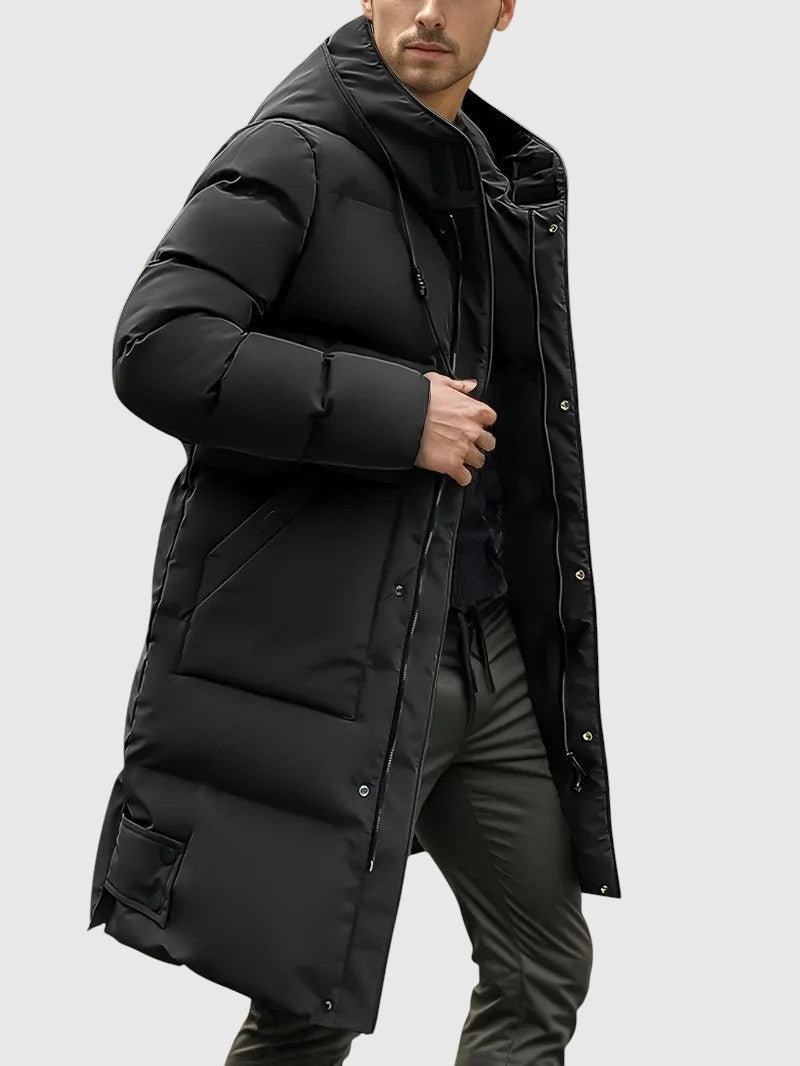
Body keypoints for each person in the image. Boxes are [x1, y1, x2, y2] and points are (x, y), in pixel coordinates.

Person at [87, 4, 621, 1064]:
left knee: (541, 970)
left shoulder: (495, 176)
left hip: (488, 645)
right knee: (310, 1003)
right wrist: (396, 411)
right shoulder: (293, 153)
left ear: (506, 8)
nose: (426, 13)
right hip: (351, 653)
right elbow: (158, 346)